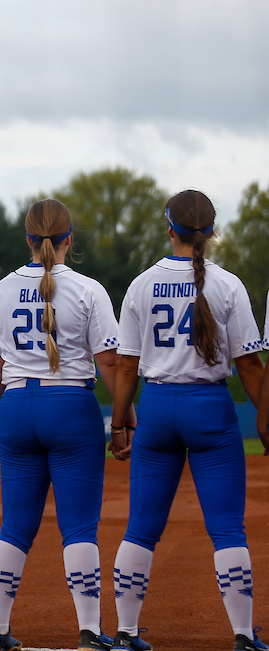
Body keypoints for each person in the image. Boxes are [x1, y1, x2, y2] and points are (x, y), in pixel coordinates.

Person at [109, 190, 266, 651]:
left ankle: (126, 632)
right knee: (228, 528)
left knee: (141, 527)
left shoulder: (141, 284)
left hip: (156, 410)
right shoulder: (228, 285)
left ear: (168, 228)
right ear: (212, 231)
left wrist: (119, 423)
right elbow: (252, 367)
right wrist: (266, 415)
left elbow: (126, 365)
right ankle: (242, 635)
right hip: (210, 410)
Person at [0, 199, 130, 651]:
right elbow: (108, 362)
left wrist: (18, 412)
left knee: (15, 527)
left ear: (27, 239)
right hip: (71, 406)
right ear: (69, 240)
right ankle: (88, 631)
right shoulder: (88, 289)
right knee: (78, 527)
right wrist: (123, 419)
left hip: (19, 405)